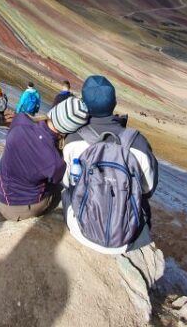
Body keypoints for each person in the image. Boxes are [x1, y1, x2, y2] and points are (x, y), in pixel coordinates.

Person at [61, 75, 159, 255]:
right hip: (126, 239)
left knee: (66, 190)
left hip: (81, 231)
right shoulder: (137, 143)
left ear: (84, 104)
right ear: (114, 103)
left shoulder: (73, 140)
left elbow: (67, 182)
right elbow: (148, 189)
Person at [0, 97, 89, 221]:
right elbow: (57, 180)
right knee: (61, 189)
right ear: (69, 130)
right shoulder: (54, 161)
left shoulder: (20, 120)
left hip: (0, 195)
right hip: (22, 208)